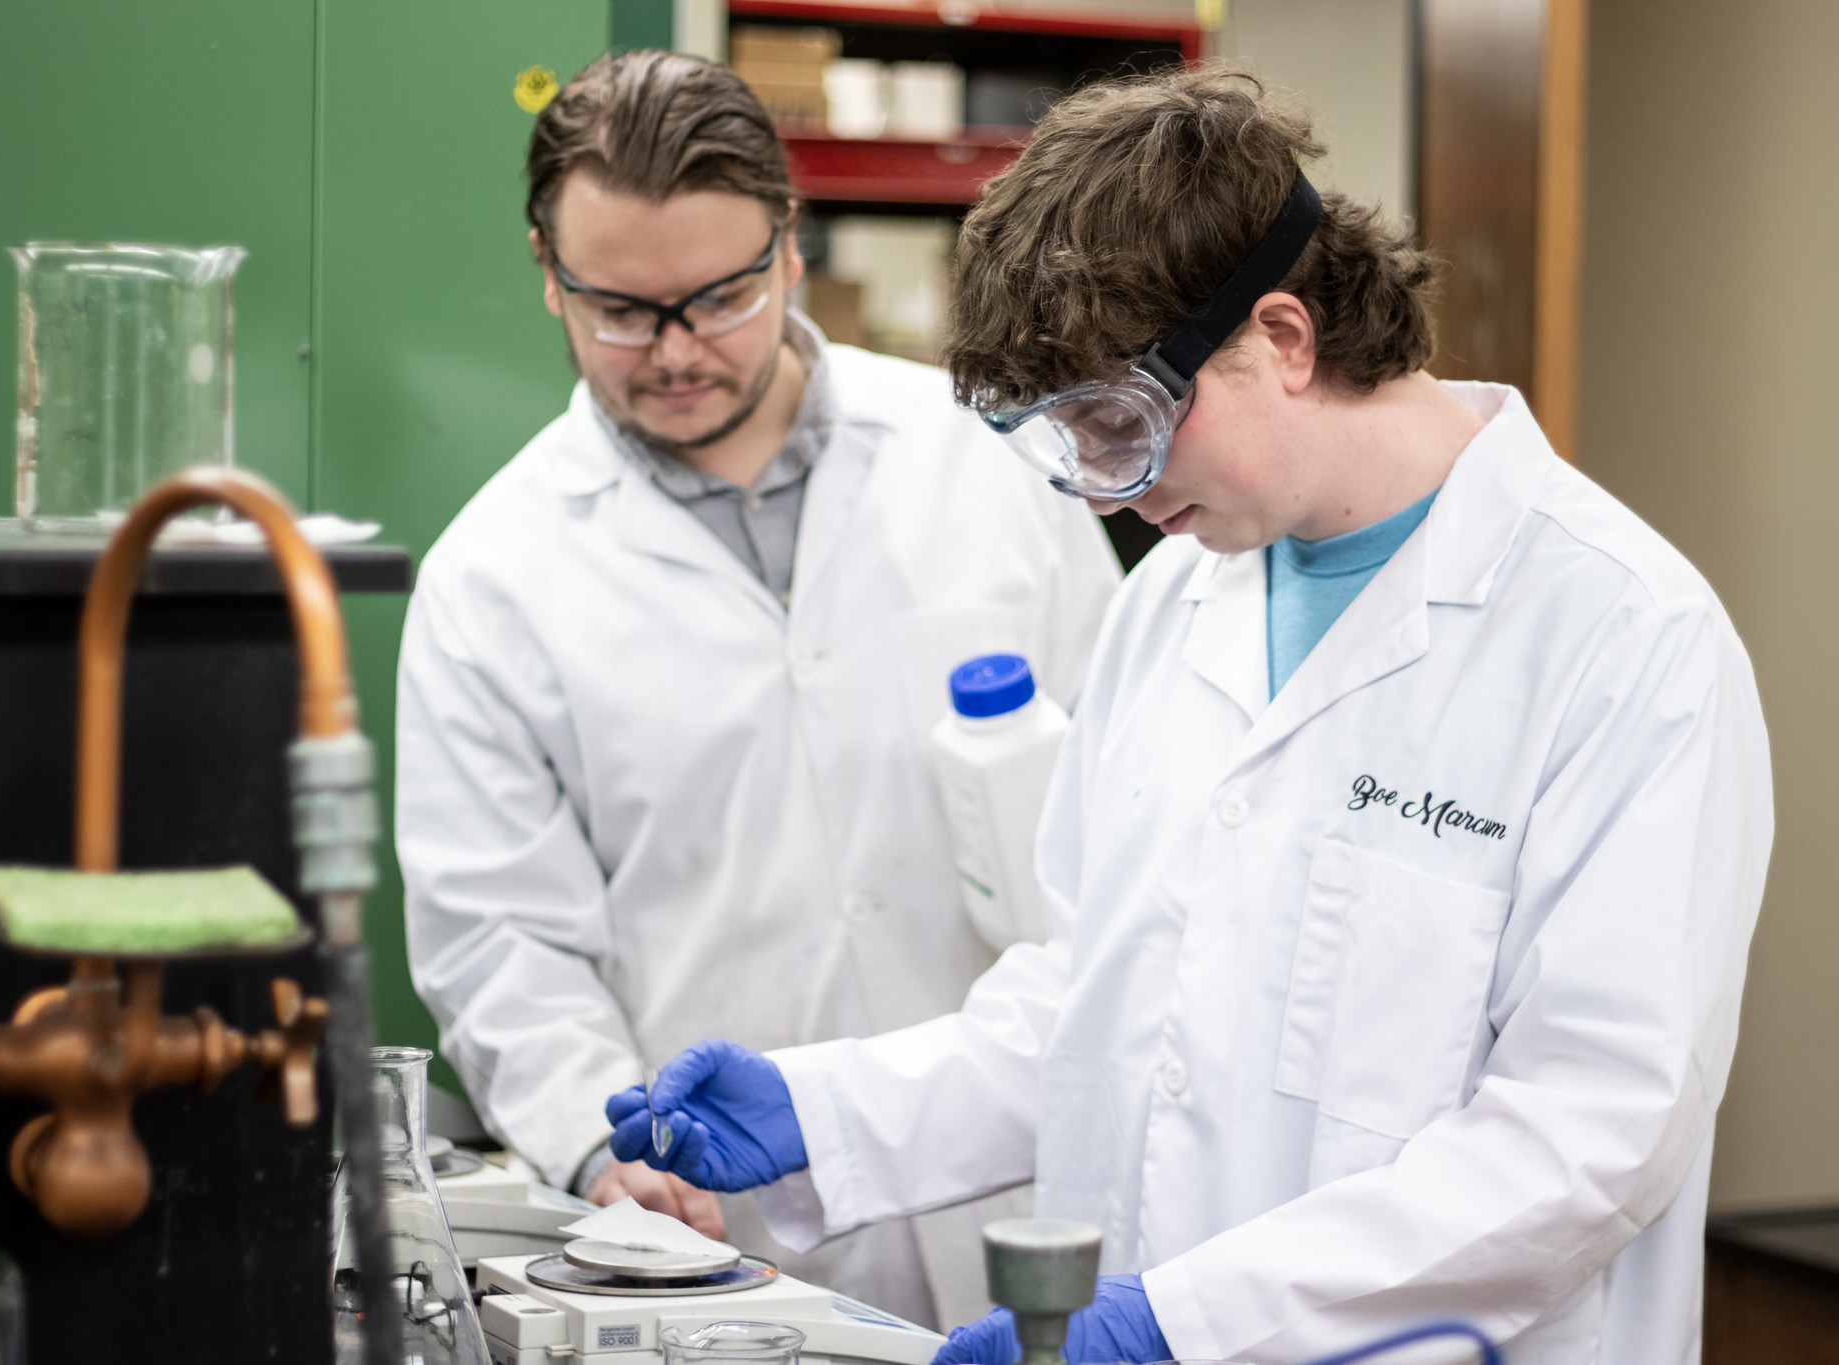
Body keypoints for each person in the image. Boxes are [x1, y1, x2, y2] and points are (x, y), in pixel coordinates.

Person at [605, 68, 1774, 1365]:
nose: (1108, 491)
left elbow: (1589, 1137)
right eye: (1067, 442)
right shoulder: (1177, 597)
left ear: (1280, 337)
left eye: (1121, 423)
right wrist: (826, 1114)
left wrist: (1186, 1325)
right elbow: (1095, 1000)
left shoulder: (1622, 639)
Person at [395, 50, 1120, 1326]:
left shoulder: (988, 464)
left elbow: (1126, 812)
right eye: (619, 308)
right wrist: (594, 1146)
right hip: (716, 1240)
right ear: (546, 275)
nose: (673, 351)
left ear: (789, 247)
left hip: (1036, 1196)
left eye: (718, 297)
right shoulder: (493, 577)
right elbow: (501, 939)